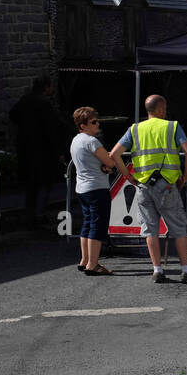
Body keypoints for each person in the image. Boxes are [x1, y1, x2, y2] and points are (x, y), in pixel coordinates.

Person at [109, 94, 187, 284]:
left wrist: (129, 177)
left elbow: (114, 154)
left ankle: (157, 270)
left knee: (150, 230)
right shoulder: (172, 127)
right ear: (162, 109)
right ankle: (186, 270)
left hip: (144, 186)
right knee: (178, 228)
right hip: (168, 185)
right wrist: (185, 177)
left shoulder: (135, 129)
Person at [9, 75, 70, 225]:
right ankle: (38, 214)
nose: (53, 89)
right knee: (45, 183)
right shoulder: (45, 104)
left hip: (25, 149)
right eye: (51, 87)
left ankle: (30, 214)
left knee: (30, 185)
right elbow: (52, 131)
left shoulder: (25, 100)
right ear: (46, 87)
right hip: (43, 151)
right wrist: (59, 153)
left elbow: (12, 115)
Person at [70, 106, 123, 275]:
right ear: (83, 125)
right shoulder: (92, 141)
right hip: (96, 187)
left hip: (82, 188)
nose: (97, 124)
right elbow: (110, 162)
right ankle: (93, 264)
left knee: (87, 223)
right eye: (93, 122)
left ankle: (85, 260)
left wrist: (104, 165)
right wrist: (107, 166)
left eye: (97, 120)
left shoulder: (76, 140)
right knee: (97, 226)